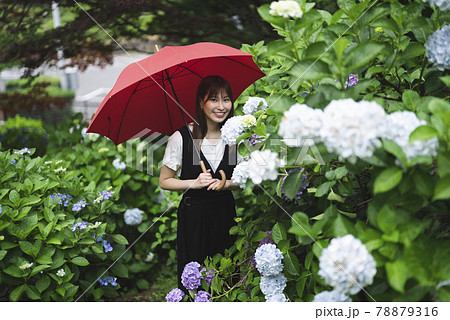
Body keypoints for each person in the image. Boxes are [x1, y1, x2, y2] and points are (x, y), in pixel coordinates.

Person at [159, 75, 242, 290]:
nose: (221, 106)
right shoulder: (181, 137)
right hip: (193, 215)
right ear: (201, 102)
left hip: (225, 213)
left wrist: (228, 184)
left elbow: (244, 179)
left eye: (226, 99)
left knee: (227, 275)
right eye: (214, 99)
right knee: (194, 275)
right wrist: (193, 183)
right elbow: (164, 181)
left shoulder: (234, 138)